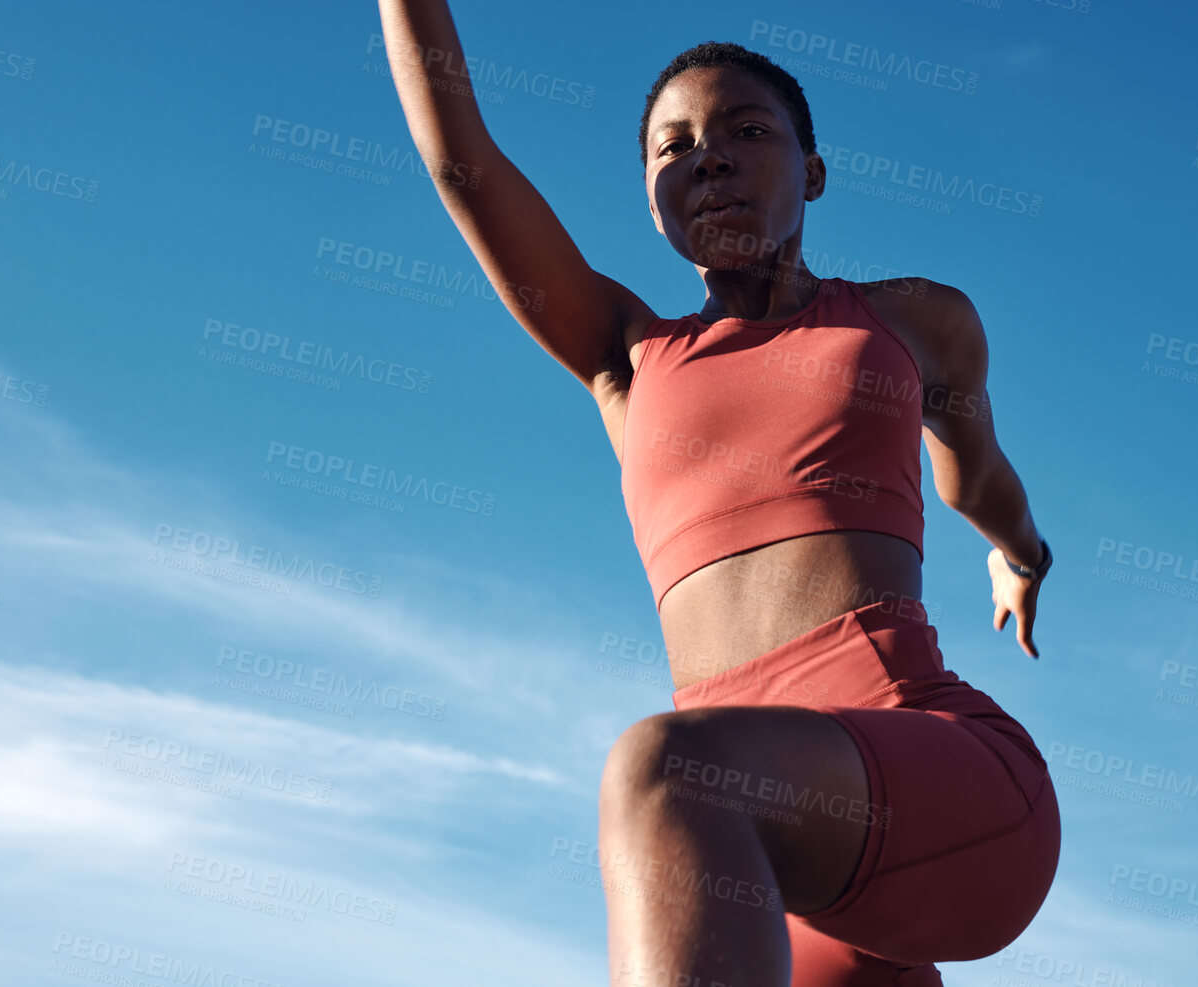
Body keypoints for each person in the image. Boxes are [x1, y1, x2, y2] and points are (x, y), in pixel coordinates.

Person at [376, 3, 1060, 985]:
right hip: (779, 857)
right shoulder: (629, 358)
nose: (710, 158)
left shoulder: (912, 320)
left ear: (813, 173)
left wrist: (1022, 553)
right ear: (649, 192)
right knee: (687, 783)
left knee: (665, 772)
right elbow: (460, 160)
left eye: (747, 131)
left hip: (931, 766)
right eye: (675, 145)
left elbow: (978, 474)